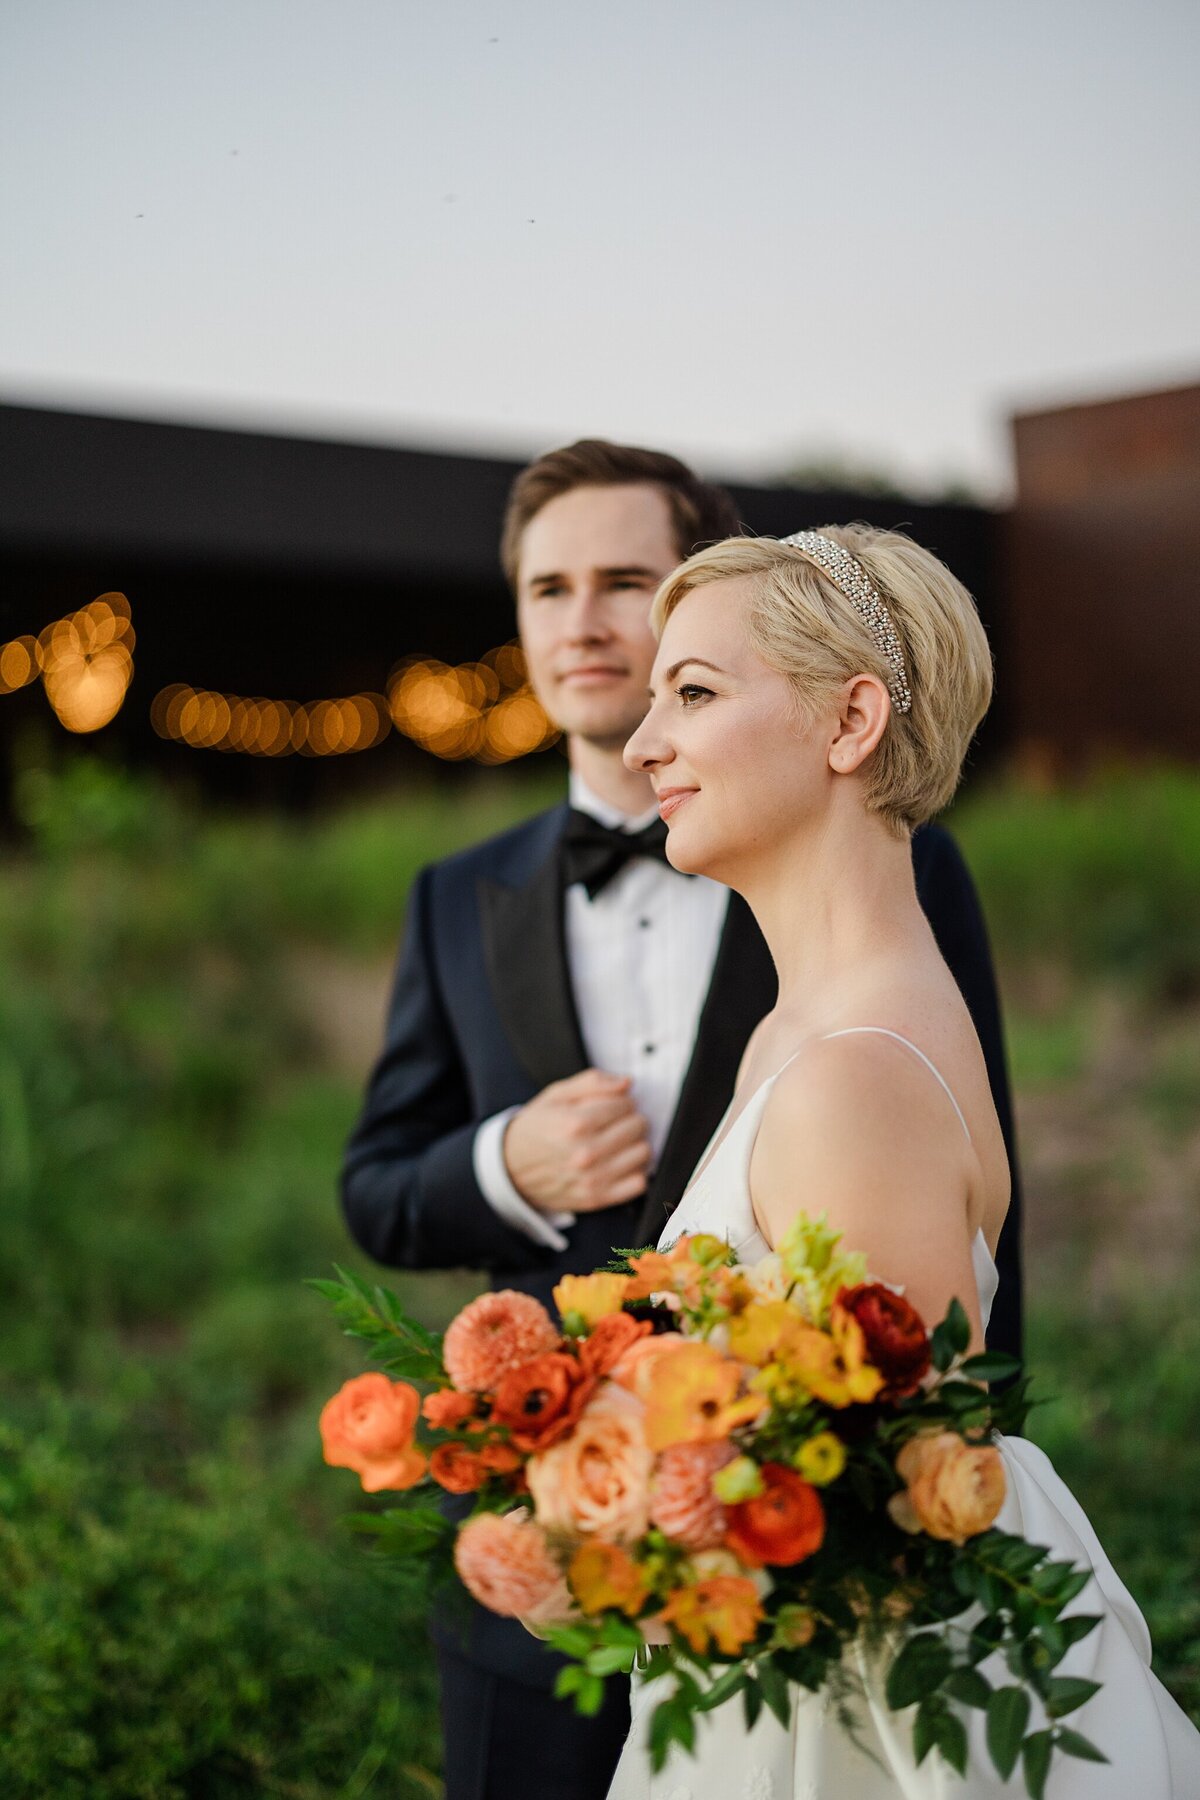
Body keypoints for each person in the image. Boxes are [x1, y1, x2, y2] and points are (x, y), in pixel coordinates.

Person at [340, 444, 1022, 1800]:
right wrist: (501, 1166)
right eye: (548, 586)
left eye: (634, 595)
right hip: (578, 1579)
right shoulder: (464, 896)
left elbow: (927, 1346)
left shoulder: (869, 976)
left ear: (848, 720)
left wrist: (976, 1481)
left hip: (775, 1638)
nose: (586, 626)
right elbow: (375, 1178)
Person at [607, 526, 1199, 1798]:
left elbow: (893, 1523)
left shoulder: (855, 1073)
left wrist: (606, 1534)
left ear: (851, 720)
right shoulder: (806, 1025)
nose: (641, 744)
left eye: (694, 693)